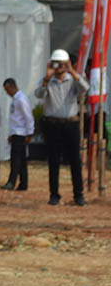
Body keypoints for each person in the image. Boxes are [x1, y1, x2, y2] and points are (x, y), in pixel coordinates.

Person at [35, 49, 87, 206]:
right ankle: (54, 194)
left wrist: (72, 70)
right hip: (52, 124)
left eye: (62, 64)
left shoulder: (73, 80)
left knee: (75, 161)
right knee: (53, 160)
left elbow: (85, 88)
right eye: (56, 64)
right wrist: (46, 77)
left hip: (70, 124)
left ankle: (78, 194)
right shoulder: (47, 81)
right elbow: (39, 95)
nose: (59, 68)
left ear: (67, 64)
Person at [4, 78, 33, 191]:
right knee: (21, 160)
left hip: (21, 133)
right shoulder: (16, 99)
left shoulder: (21, 99)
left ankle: (12, 182)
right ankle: (23, 183)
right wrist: (11, 134)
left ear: (12, 87)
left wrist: (30, 133)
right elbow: (15, 119)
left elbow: (28, 117)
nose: (7, 93)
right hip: (16, 132)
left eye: (7, 90)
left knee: (15, 160)